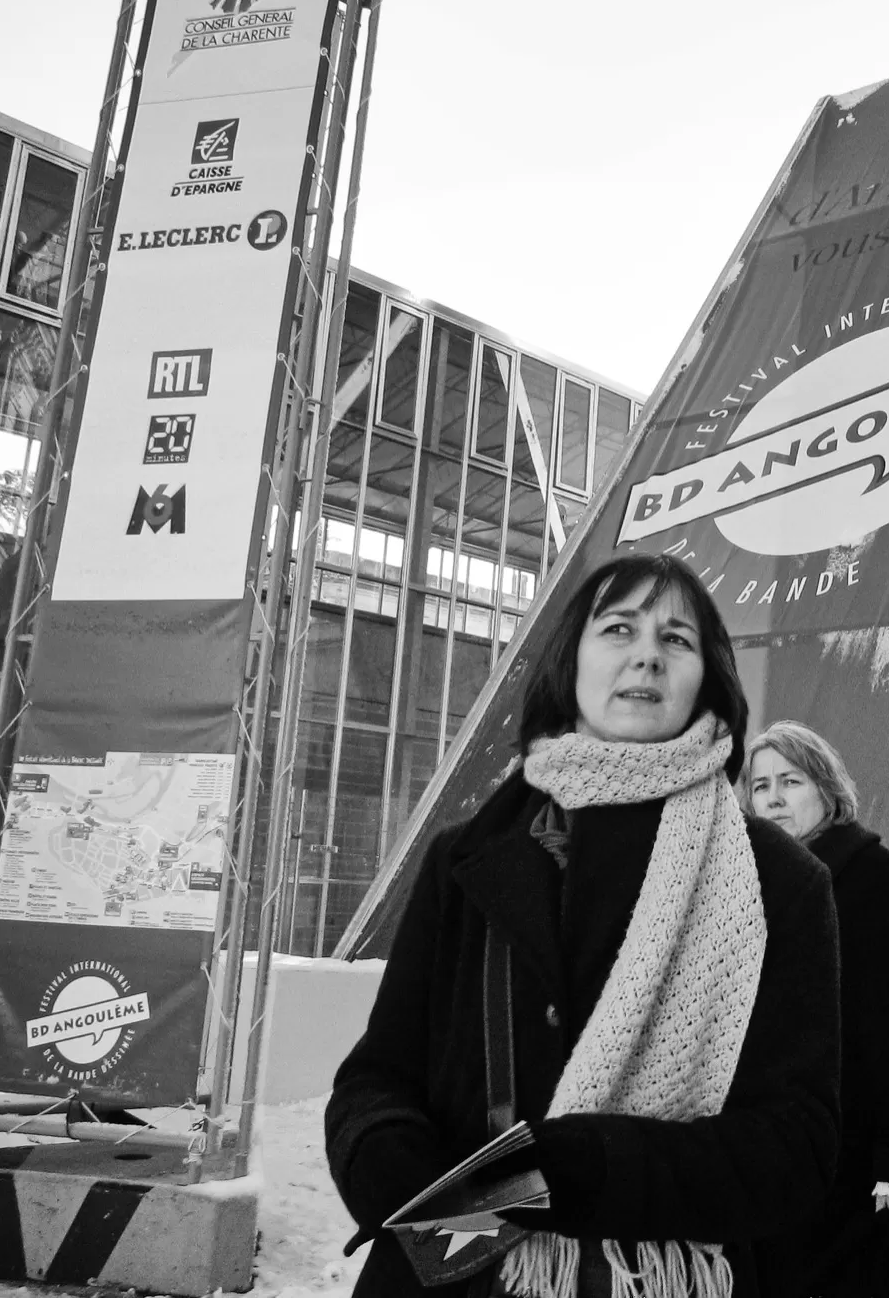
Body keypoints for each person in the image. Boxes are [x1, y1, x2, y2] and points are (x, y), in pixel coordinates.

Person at [326, 553, 841, 1298]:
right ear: (570, 663)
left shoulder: (777, 880)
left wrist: (588, 1168)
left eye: (677, 639)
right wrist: (388, 1165)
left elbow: (798, 1144)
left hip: (650, 1279)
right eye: (619, 629)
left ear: (709, 679)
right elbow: (379, 1075)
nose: (646, 655)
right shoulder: (466, 859)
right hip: (450, 1274)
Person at [745, 721, 889, 1298]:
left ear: (828, 790)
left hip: (845, 1162)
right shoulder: (747, 881)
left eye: (791, 781)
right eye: (761, 786)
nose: (774, 798)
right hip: (763, 1156)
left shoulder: (876, 882)